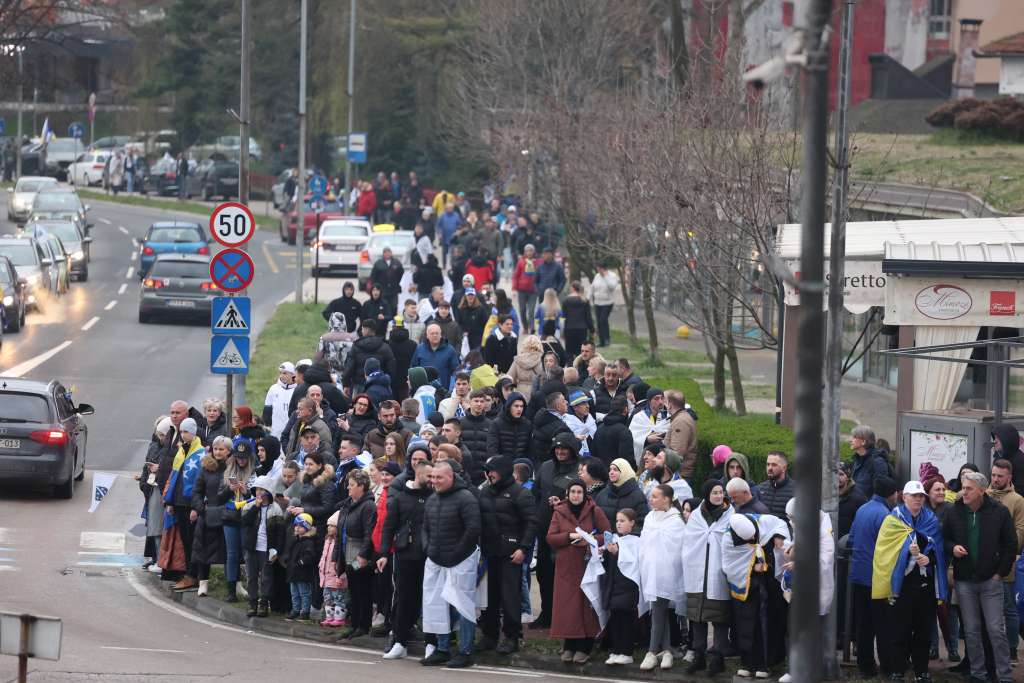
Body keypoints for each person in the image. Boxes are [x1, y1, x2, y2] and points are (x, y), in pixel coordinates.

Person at [944, 469, 1017, 683]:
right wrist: (953, 548)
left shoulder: (999, 512)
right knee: (972, 631)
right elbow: (944, 538)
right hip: (964, 580)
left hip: (991, 580)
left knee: (995, 629)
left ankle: (1005, 676)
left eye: (969, 489)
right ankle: (978, 674)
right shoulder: (955, 511)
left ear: (982, 491)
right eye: (963, 488)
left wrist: (1000, 573)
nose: (964, 492)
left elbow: (1010, 544)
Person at [872, 480, 946, 681]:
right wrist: (907, 552)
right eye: (914, 496)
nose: (918, 499)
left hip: (925, 586)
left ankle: (922, 671)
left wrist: (928, 558)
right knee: (899, 630)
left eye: (921, 496)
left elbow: (938, 550)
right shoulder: (892, 521)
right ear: (903, 497)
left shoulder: (930, 520)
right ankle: (898, 670)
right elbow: (884, 554)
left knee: (923, 630)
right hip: (901, 586)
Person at [420, 461, 482, 669]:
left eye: (439, 477)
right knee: (436, 603)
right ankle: (442, 649)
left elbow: (473, 529)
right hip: (436, 560)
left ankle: (465, 651)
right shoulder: (432, 499)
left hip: (461, 561)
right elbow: (425, 528)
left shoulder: (466, 498)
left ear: (451, 477)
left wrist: (456, 554)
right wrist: (428, 548)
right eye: (433, 477)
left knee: (463, 606)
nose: (435, 481)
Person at [547, 479, 611, 664]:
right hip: (566, 567)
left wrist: (590, 539)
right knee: (568, 606)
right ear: (567, 494)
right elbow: (551, 537)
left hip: (587, 565)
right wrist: (570, 536)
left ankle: (585, 645)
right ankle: (569, 644)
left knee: (586, 605)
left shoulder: (594, 511)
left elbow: (607, 535)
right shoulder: (559, 512)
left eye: (579, 492)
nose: (576, 495)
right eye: (573, 492)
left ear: (584, 494)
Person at [478, 456, 537, 655]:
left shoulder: (521, 493)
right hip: (489, 552)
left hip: (511, 554)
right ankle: (489, 636)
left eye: (492, 470)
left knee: (510, 598)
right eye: (487, 471)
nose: (489, 475)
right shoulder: (484, 492)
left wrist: (523, 548)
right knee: (489, 598)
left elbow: (531, 523)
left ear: (502, 471)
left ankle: (512, 637)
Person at [379, 454, 434, 660]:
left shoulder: (435, 497)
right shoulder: (400, 497)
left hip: (430, 556)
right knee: (403, 599)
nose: (433, 480)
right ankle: (399, 641)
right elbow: (389, 527)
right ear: (418, 475)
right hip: (405, 554)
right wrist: (384, 553)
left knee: (430, 601)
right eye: (429, 476)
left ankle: (431, 643)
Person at [722, 511, 789, 679]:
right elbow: (730, 566)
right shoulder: (728, 540)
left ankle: (765, 664)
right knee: (745, 625)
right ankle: (747, 663)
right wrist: (751, 568)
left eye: (753, 536)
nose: (753, 539)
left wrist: (778, 536)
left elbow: (779, 524)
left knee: (765, 625)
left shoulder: (762, 521)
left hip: (767, 586)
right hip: (747, 588)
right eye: (749, 539)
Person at [847, 476, 898, 677]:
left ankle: (866, 667)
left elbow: (851, 539)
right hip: (877, 578)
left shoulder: (862, 509)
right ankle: (887, 666)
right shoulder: (886, 515)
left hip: (858, 574)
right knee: (883, 625)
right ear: (891, 494)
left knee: (863, 625)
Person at [682, 480, 733, 676]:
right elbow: (689, 542)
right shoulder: (696, 516)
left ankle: (718, 659)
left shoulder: (730, 515)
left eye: (721, 492)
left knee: (719, 619)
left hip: (718, 574)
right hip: (697, 573)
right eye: (715, 493)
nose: (719, 496)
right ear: (706, 494)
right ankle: (699, 657)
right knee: (697, 618)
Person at [638, 484, 687, 671]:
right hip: (651, 571)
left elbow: (677, 549)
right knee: (660, 611)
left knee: (659, 610)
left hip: (668, 573)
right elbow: (644, 544)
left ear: (666, 499)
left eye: (655, 496)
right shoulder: (650, 517)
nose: (651, 499)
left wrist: (668, 568)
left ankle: (651, 652)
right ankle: (666, 651)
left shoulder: (676, 520)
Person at [160, 417, 205, 589]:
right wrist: (170, 501)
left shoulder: (200, 454)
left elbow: (200, 484)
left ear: (193, 433)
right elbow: (175, 477)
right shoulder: (181, 451)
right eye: (181, 431)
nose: (183, 434)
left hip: (190, 504)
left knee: (192, 541)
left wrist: (195, 507)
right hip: (178, 502)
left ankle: (193, 575)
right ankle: (188, 574)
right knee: (185, 541)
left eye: (186, 431)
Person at [987, 458, 1024, 663]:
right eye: (993, 475)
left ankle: (1011, 649)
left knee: (1009, 608)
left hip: (1006, 563)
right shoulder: (984, 495)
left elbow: (1020, 531)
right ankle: (991, 649)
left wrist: (1005, 551)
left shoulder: (1017, 500)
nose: (995, 479)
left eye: (1000, 476)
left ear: (1009, 477)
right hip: (983, 563)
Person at [333, 468, 376, 638]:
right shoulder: (347, 505)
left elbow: (369, 533)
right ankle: (354, 624)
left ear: (361, 486)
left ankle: (363, 625)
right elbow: (339, 532)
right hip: (347, 554)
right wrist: (336, 557)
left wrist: (363, 556)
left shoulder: (368, 506)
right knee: (353, 590)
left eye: (351, 485)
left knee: (362, 590)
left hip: (359, 556)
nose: (348, 488)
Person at [600, 508, 642, 666]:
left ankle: (627, 652)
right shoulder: (615, 539)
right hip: (614, 586)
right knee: (615, 618)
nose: (618, 524)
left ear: (632, 523)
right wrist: (603, 552)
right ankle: (616, 650)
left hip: (628, 587)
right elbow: (609, 564)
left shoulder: (636, 540)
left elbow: (633, 563)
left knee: (626, 620)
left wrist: (618, 553)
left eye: (622, 521)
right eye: (617, 520)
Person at [190, 435, 230, 597]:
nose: (218, 452)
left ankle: (235, 583)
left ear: (228, 451)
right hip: (208, 514)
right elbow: (196, 492)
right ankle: (203, 583)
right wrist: (201, 509)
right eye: (215, 449)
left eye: (222, 449)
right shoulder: (205, 468)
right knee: (203, 550)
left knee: (230, 551)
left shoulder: (232, 468)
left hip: (228, 514)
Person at [241, 475, 285, 618]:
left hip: (267, 549)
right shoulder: (249, 505)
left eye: (262, 489)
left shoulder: (276, 509)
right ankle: (252, 602)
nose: (259, 492)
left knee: (266, 577)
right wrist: (256, 507)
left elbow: (280, 532)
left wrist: (276, 550)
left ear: (268, 491)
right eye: (257, 489)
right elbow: (245, 521)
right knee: (251, 576)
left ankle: (264, 603)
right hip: (252, 547)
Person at [344, 319, 396, 394]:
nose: (361, 331)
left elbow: (349, 366)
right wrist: (388, 382)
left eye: (362, 329)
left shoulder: (356, 346)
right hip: (379, 385)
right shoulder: (385, 346)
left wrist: (346, 384)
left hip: (359, 385)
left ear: (365, 329)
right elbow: (391, 368)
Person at [285, 513, 318, 621]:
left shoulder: (309, 542)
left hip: (303, 573)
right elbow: (291, 554)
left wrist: (301, 562)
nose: (297, 528)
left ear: (307, 528)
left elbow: (310, 556)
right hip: (293, 572)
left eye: (300, 526)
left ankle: (305, 612)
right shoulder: (296, 541)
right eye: (296, 525)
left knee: (304, 593)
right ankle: (295, 610)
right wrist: (289, 562)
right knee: (294, 593)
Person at [319, 511, 348, 627]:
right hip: (326, 576)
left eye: (332, 526)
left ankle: (339, 618)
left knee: (339, 598)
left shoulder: (340, 543)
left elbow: (341, 561)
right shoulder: (327, 540)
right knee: (328, 598)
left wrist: (340, 576)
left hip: (336, 577)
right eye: (328, 525)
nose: (329, 528)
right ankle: (329, 617)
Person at [410, 322, 460, 390]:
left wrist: (452, 388)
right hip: (423, 389)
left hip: (443, 389)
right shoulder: (419, 349)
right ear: (427, 336)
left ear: (441, 335)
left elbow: (455, 371)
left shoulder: (450, 350)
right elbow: (414, 369)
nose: (435, 335)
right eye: (432, 333)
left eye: (437, 333)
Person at [487, 392, 533, 462]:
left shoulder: (527, 424)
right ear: (509, 407)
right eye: (516, 406)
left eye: (521, 406)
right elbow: (492, 449)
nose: (519, 409)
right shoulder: (496, 424)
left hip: (521, 465)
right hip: (501, 465)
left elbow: (530, 450)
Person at [592, 397, 635, 469]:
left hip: (602, 472)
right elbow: (627, 458)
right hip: (618, 472)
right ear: (625, 409)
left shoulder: (599, 429)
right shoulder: (624, 431)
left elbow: (593, 453)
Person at [629, 387, 670, 460]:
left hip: (663, 457)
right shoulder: (639, 417)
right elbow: (632, 438)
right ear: (649, 401)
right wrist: (647, 439)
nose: (660, 402)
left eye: (662, 398)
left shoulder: (668, 417)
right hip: (645, 457)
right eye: (656, 399)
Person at [850, 425, 891, 497]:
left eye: (854, 437)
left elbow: (881, 491)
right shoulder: (857, 459)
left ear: (863, 442)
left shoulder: (877, 462)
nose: (850, 440)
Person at [664, 390, 697, 480]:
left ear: (669, 405)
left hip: (679, 475)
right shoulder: (681, 418)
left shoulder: (680, 421)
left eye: (664, 401)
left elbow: (677, 452)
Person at [561, 281, 594, 360]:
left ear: (572, 288)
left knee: (569, 351)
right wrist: (592, 329)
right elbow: (588, 317)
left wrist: (562, 330)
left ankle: (570, 366)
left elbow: (563, 317)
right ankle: (581, 366)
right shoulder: (585, 300)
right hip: (582, 329)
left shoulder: (566, 301)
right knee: (581, 351)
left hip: (569, 328)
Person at [757, 451, 795, 519]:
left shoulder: (797, 490)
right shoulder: (760, 488)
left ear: (784, 468)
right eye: (768, 464)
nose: (769, 468)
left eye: (774, 465)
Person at [991, 423, 1024, 499]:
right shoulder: (998, 458)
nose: (995, 441)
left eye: (998, 438)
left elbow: (1020, 490)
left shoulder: (1020, 461)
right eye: (994, 438)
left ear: (1007, 439)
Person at [387, 321, 418, 401]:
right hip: (407, 383)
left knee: (391, 406)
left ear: (393, 328)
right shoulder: (413, 344)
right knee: (406, 406)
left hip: (390, 383)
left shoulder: (387, 344)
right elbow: (415, 364)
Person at [591, 263, 620, 347]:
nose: (598, 271)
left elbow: (612, 287)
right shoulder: (597, 276)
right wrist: (588, 297)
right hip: (597, 302)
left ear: (604, 269)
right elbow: (592, 287)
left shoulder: (612, 276)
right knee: (599, 322)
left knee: (603, 320)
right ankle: (602, 341)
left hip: (607, 302)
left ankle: (607, 339)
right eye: (597, 269)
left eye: (599, 269)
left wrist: (605, 277)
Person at [513, 244, 539, 333]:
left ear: (534, 252)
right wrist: (514, 288)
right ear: (525, 252)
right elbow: (516, 276)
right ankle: (525, 327)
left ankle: (532, 327)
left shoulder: (537, 262)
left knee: (531, 310)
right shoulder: (521, 262)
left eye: (531, 250)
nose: (529, 252)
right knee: (522, 310)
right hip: (522, 290)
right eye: (527, 251)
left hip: (533, 290)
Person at [508, 335, 544, 399]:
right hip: (536, 391)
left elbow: (510, 377)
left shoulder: (518, 360)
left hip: (520, 391)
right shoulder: (542, 360)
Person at [838, 462, 868, 538]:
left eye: (841, 474)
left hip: (848, 540)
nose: (837, 477)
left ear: (848, 477)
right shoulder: (827, 496)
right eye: (835, 474)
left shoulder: (858, 497)